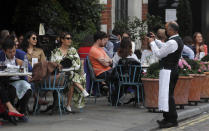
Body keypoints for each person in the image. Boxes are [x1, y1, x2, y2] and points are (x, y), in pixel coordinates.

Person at [147, 21, 183, 128]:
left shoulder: (172, 42)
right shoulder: (176, 40)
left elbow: (159, 54)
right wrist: (156, 40)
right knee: (166, 95)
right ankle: (167, 118)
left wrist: (152, 43)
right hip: (170, 70)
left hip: (169, 71)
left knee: (168, 95)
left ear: (172, 30)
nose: (165, 30)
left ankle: (172, 120)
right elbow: (165, 47)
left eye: (166, 29)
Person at [51, 32, 89, 112]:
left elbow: (78, 64)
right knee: (71, 77)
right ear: (62, 40)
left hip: (70, 74)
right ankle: (81, 90)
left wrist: (70, 66)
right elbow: (53, 64)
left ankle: (68, 105)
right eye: (68, 38)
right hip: (59, 76)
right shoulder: (55, 51)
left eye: (70, 38)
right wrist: (60, 65)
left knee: (71, 77)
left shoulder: (73, 50)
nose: (70, 40)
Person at [0, 38, 32, 120]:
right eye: (9, 52)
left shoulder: (20, 54)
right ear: (4, 51)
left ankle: (22, 111)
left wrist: (22, 63)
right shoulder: (0, 55)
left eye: (14, 51)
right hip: (5, 81)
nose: (12, 54)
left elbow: (29, 68)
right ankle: (11, 110)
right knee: (11, 90)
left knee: (28, 88)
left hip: (18, 79)